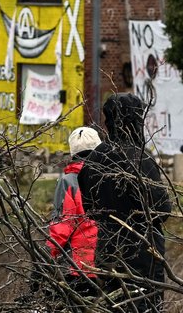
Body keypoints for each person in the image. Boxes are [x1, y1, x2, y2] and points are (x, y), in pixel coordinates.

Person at [80, 93, 174, 313]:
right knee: (144, 305)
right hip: (142, 252)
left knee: (112, 306)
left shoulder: (95, 158)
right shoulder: (141, 159)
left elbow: (89, 208)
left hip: (107, 248)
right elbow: (161, 210)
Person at [43, 126, 102, 298]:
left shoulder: (68, 181)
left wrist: (44, 262)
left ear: (72, 152)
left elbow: (61, 228)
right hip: (109, 263)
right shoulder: (109, 176)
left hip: (80, 266)